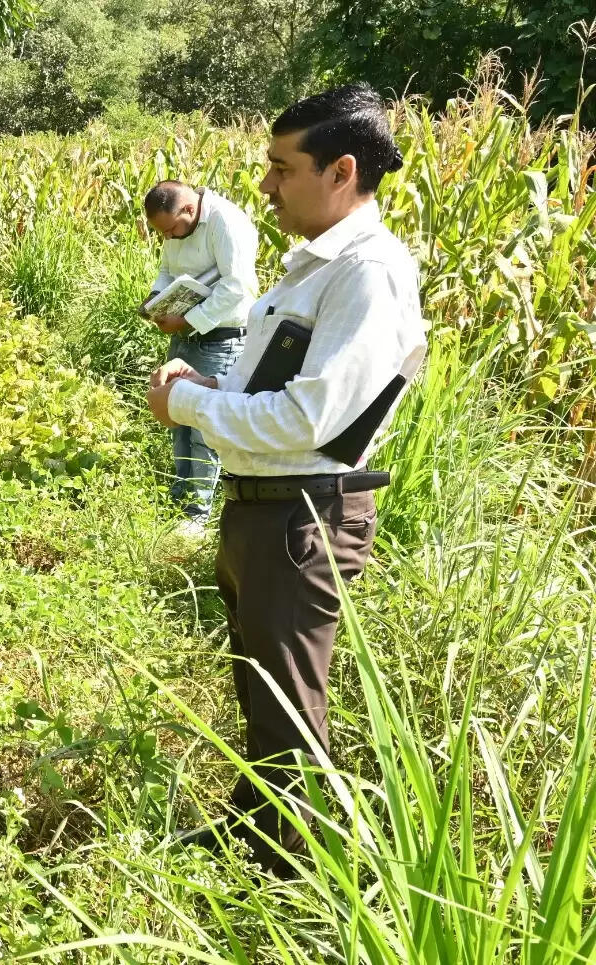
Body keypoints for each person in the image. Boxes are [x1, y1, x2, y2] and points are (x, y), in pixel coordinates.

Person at [145, 84, 426, 871]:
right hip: (263, 509)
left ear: (341, 171)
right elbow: (272, 388)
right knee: (261, 693)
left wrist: (192, 405)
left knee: (291, 713)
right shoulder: (313, 267)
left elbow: (310, 421)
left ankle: (289, 881)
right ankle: (253, 828)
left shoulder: (367, 275)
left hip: (305, 516)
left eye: (279, 168)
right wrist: (207, 392)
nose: (265, 186)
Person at [142, 179, 259, 533]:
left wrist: (188, 319)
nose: (170, 238)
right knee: (177, 415)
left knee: (204, 426)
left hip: (220, 337)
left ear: (189, 210)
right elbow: (168, 271)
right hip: (184, 333)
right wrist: (156, 297)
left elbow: (238, 285)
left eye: (172, 230)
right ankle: (180, 494)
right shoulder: (176, 228)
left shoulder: (226, 221)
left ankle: (198, 513)